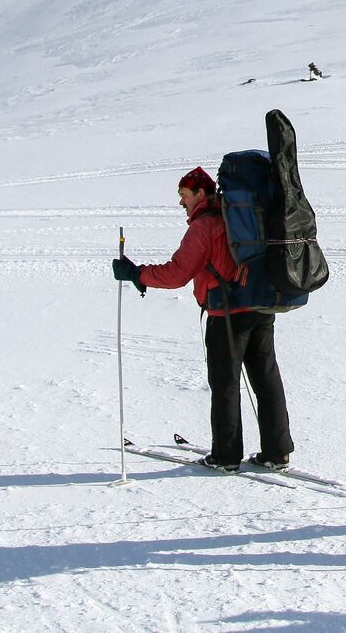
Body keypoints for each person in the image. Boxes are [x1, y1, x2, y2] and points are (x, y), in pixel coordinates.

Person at [112, 166, 295, 473]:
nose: (181, 202)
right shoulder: (241, 216)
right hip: (261, 305)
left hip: (226, 313)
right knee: (266, 378)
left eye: (184, 195)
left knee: (225, 383)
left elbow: (177, 273)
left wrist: (136, 274)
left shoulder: (204, 225)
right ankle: (277, 452)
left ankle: (225, 456)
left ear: (201, 192)